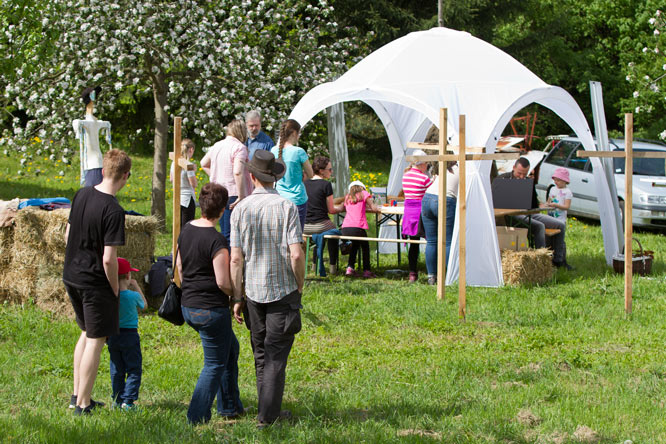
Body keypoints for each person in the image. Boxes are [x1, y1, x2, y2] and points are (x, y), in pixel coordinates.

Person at [229, 150, 305, 429]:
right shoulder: (287, 207)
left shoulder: (240, 209)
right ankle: (267, 417)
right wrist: (300, 283)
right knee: (275, 356)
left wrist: (237, 296)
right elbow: (296, 254)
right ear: (274, 178)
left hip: (253, 292)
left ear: (251, 177)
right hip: (282, 290)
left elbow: (235, 258)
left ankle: (267, 408)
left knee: (261, 353)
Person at [63, 149, 131, 416]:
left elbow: (68, 233)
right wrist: (114, 288)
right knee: (96, 338)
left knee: (85, 332)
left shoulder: (81, 194)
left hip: (71, 275)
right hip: (94, 282)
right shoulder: (114, 210)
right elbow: (108, 259)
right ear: (126, 176)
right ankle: (83, 404)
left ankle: (76, 395)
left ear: (103, 171)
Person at [176, 182, 244, 424]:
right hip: (210, 311)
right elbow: (223, 281)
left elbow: (180, 269)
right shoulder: (216, 240)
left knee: (230, 349)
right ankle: (196, 417)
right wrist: (236, 296)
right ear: (223, 210)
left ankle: (230, 406)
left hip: (188, 306)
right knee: (214, 364)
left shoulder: (186, 230)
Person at [497, 157, 571, 269]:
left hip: (529, 212)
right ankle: (541, 261)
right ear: (513, 168)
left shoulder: (528, 182)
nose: (522, 177)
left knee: (560, 225)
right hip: (511, 215)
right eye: (519, 173)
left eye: (525, 174)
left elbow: (534, 204)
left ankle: (558, 260)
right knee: (539, 226)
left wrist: (542, 205)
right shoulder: (502, 179)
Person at [201, 119, 253, 244]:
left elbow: (203, 163)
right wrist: (241, 196)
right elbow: (237, 171)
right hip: (233, 194)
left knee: (225, 231)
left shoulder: (217, 145)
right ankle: (231, 261)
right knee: (233, 234)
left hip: (218, 192)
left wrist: (215, 176)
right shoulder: (239, 148)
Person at [106, 257, 147, 410]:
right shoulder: (133, 296)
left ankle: (117, 399)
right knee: (134, 368)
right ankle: (128, 401)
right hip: (130, 336)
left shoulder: (111, 297)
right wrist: (137, 287)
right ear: (128, 276)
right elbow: (144, 305)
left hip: (113, 335)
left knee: (117, 369)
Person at [271, 119, 313, 231]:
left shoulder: (273, 150)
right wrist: (302, 175)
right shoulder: (299, 151)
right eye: (299, 133)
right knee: (296, 236)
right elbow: (311, 173)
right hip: (297, 199)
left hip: (279, 197)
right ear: (294, 133)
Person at [421, 161, 458, 285]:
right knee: (448, 242)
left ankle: (432, 276)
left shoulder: (447, 167)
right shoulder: (464, 169)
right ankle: (450, 276)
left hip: (427, 198)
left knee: (431, 241)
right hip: (445, 200)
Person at [304, 156, 342, 276]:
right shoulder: (326, 185)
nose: (331, 172)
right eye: (329, 169)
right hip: (320, 224)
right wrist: (342, 207)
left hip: (305, 226)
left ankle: (314, 265)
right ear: (321, 171)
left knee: (319, 236)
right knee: (334, 232)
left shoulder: (305, 184)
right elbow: (331, 210)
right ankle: (332, 266)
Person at [401, 149, 435, 283]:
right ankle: (431, 271)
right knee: (431, 242)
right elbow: (431, 192)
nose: (427, 166)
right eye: (426, 163)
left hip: (409, 213)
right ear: (421, 164)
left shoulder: (405, 176)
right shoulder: (424, 178)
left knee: (413, 244)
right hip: (421, 212)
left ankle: (412, 272)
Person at [337, 180, 382, 278]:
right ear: (362, 188)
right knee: (365, 247)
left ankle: (350, 267)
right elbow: (374, 208)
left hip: (345, 228)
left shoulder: (347, 197)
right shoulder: (364, 194)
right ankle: (367, 270)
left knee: (355, 245)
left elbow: (343, 208)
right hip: (358, 227)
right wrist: (375, 206)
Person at [72, 86, 112, 187]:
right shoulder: (87, 123)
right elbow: (77, 123)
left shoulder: (95, 123)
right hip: (92, 164)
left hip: (97, 163)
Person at [169, 138, 198, 227]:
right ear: (191, 149)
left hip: (177, 197)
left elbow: (171, 179)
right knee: (186, 227)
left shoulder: (174, 162)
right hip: (187, 199)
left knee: (178, 226)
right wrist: (194, 171)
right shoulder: (188, 165)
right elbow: (194, 184)